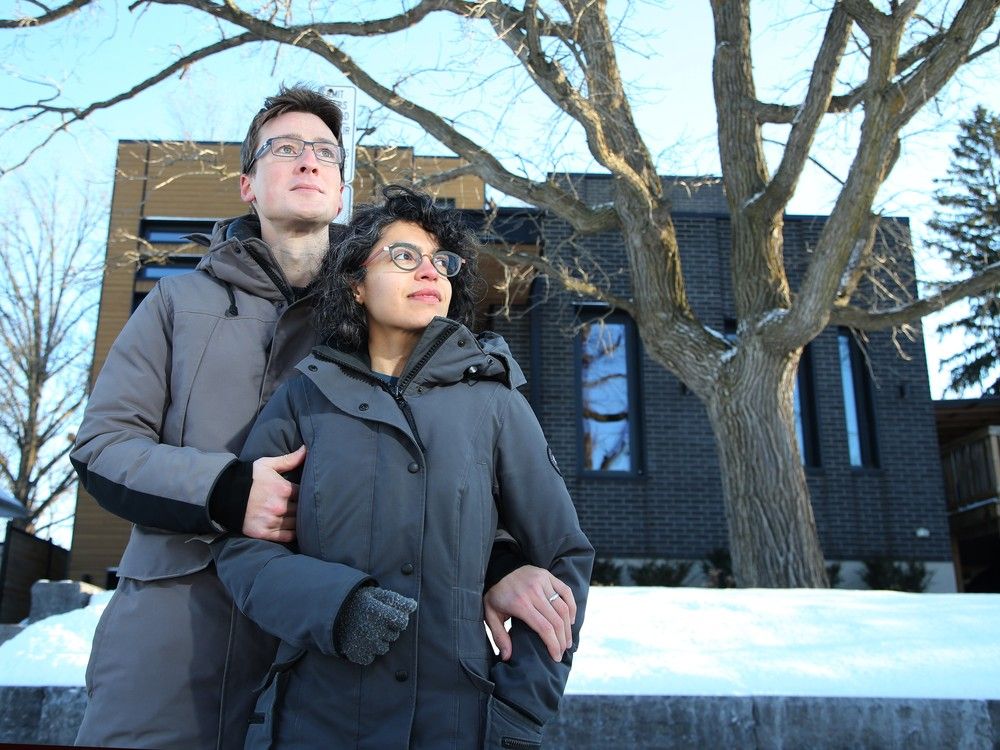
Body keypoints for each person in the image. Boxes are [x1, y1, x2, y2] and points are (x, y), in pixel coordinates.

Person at [70, 86, 577, 750]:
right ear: (248, 183)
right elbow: (103, 446)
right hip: (180, 632)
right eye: (285, 149)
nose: (307, 161)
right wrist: (226, 491)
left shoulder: (388, 311)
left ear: (340, 190)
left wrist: (496, 564)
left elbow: (445, 461)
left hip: (340, 658)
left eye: (324, 153)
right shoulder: (175, 306)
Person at [212, 185, 594, 749]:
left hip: (456, 723)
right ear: (356, 285)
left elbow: (563, 559)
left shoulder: (497, 405)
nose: (431, 272)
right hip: (315, 721)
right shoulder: (303, 399)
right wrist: (335, 606)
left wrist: (518, 717)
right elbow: (245, 553)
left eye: (442, 262)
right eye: (404, 256)